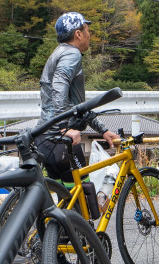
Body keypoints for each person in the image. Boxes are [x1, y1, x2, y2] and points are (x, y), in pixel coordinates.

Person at [38, 11, 120, 214]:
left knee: (65, 204)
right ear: (78, 34)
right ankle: (84, 243)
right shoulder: (71, 54)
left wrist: (102, 130)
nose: (89, 34)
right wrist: (64, 128)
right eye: (87, 29)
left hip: (45, 139)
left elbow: (76, 106)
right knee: (84, 204)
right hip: (62, 142)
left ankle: (56, 242)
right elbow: (59, 87)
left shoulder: (59, 53)